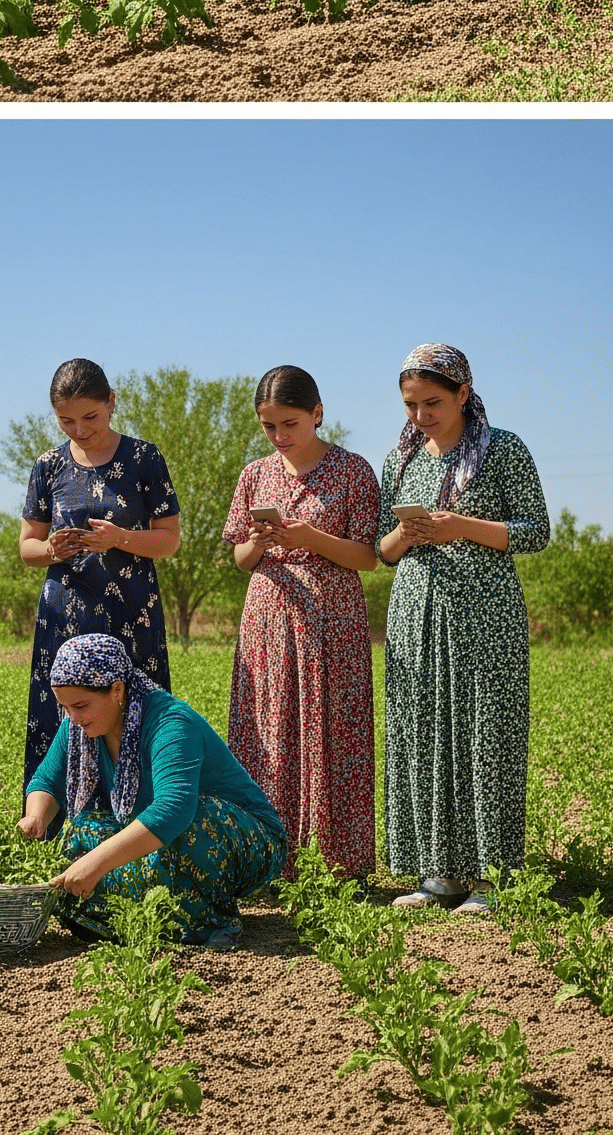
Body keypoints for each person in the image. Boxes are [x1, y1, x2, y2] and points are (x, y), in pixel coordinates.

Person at [374, 343, 549, 913]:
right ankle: (436, 874)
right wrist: (410, 535)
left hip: (486, 617)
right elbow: (382, 547)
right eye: (411, 404)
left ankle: (488, 879)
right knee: (421, 736)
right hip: (414, 614)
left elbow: (534, 531)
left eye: (432, 403)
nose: (420, 415)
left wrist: (462, 527)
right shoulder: (400, 460)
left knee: (485, 735)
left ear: (464, 394)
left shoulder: (504, 450)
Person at [18, 632, 285, 949]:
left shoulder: (169, 722)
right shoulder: (80, 725)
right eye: (65, 708)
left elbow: (174, 809)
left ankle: (212, 923)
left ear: (117, 690)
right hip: (170, 839)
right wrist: (36, 817)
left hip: (242, 839)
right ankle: (149, 918)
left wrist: (97, 862)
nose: (73, 718)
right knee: (78, 833)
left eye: (80, 706)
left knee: (189, 823)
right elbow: (48, 780)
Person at [222, 365, 380, 877]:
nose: (279, 436)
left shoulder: (353, 470)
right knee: (268, 732)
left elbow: (368, 557)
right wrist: (261, 542)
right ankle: (268, 856)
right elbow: (240, 557)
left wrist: (308, 538)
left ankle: (338, 861)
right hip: (267, 617)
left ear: (317, 413)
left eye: (290, 423)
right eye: (269, 426)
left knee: (335, 732)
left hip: (332, 619)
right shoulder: (254, 473)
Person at [19, 359, 181, 785]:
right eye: (65, 420)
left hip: (132, 614)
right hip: (65, 616)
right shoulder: (48, 465)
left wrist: (120, 539)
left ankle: (140, 816)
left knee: (132, 710)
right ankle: (56, 818)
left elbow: (169, 540)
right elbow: (26, 547)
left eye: (90, 416)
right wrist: (50, 548)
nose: (79, 429)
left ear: (111, 402)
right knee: (66, 712)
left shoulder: (144, 457)